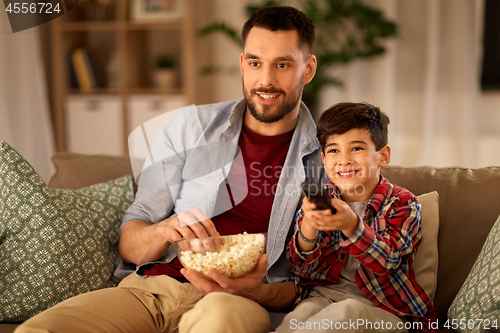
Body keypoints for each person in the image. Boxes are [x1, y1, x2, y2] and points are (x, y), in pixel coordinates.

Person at [16, 6, 327, 333]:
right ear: (242, 64)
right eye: (254, 63)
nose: (265, 80)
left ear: (307, 69)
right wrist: (165, 229)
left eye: (282, 64)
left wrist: (260, 292)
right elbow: (132, 241)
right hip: (153, 290)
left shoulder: (328, 158)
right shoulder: (188, 127)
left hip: (234, 302)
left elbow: (319, 278)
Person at [275, 103, 437, 333]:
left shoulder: (403, 203)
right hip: (323, 298)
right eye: (333, 150)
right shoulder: (320, 198)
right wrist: (309, 227)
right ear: (323, 158)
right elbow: (302, 271)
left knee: (347, 312)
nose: (344, 160)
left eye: (356, 148)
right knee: (297, 318)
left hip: (385, 310)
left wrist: (351, 226)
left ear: (383, 156)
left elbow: (388, 261)